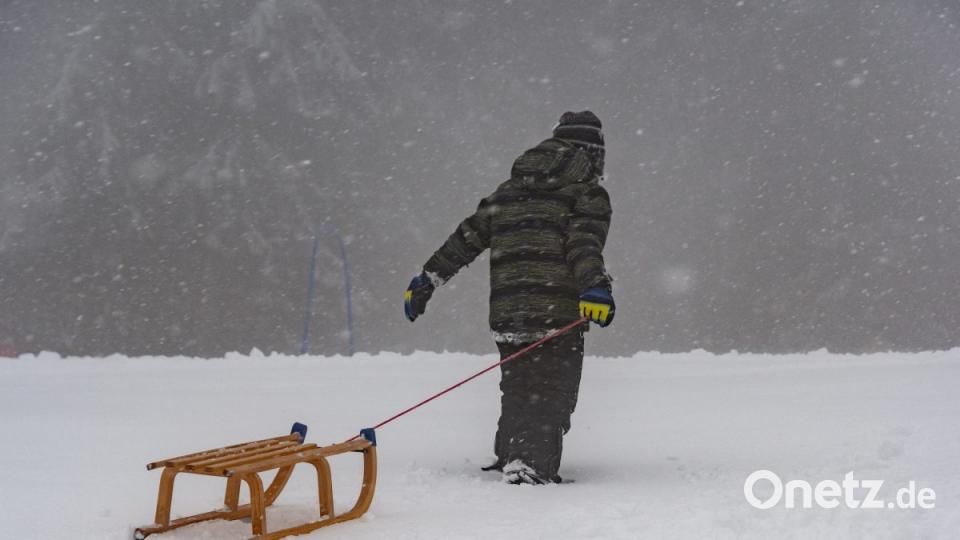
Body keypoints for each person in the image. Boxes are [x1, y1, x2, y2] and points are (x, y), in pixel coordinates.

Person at [404, 111, 615, 485]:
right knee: (552, 393)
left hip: (508, 313)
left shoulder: (509, 191)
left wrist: (428, 278)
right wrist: (595, 285)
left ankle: (511, 455)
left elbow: (466, 238)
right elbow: (583, 242)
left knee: (519, 388)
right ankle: (529, 467)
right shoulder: (586, 193)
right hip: (556, 314)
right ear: (591, 154)